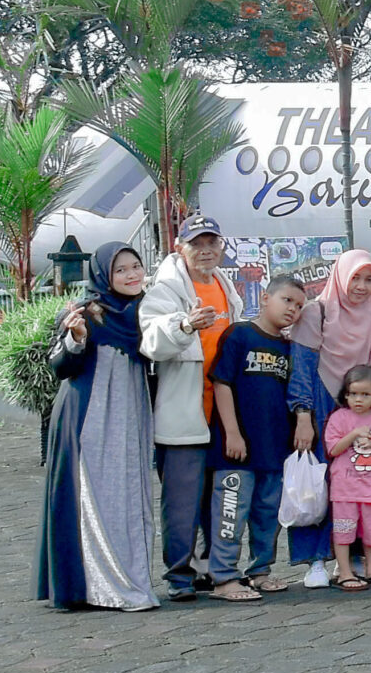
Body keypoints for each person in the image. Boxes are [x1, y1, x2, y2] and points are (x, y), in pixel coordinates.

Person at [38, 243, 160, 613]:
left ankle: (132, 580)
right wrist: (76, 337)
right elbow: (59, 367)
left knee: (131, 494)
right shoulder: (84, 311)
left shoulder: (147, 309)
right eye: (120, 270)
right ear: (104, 275)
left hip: (132, 413)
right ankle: (96, 586)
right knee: (94, 496)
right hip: (88, 416)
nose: (131, 275)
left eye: (136, 266)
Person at [287, 250, 371, 587]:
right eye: (355, 278)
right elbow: (301, 369)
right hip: (322, 405)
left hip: (359, 408)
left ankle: (353, 559)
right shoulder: (316, 312)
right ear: (340, 277)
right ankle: (315, 560)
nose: (361, 286)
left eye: (369, 279)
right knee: (317, 484)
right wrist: (303, 415)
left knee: (359, 483)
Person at [140, 213, 235, 600]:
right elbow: (150, 340)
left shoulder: (224, 284)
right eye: (197, 244)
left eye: (212, 243)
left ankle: (212, 567)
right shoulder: (166, 288)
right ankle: (179, 576)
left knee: (219, 496)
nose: (206, 250)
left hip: (222, 411)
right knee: (181, 500)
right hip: (183, 408)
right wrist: (184, 325)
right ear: (180, 248)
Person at [204, 271, 309, 601]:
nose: (292, 309)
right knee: (230, 512)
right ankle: (223, 577)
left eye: (299, 305)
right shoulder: (240, 334)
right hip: (235, 451)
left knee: (267, 515)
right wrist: (232, 433)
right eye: (286, 300)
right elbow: (222, 383)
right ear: (265, 298)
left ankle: (260, 571)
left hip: (274, 450)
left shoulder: (290, 348)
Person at [322, 363, 371, 591]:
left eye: (365, 394)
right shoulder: (339, 417)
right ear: (345, 394)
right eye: (353, 393)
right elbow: (333, 449)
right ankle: (345, 572)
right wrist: (354, 434)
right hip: (344, 488)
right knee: (343, 530)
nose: (358, 399)